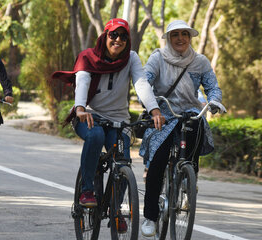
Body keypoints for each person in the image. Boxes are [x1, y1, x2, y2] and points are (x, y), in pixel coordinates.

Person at [52, 18, 165, 233]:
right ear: (105, 36)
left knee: (123, 163)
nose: (118, 40)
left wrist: (154, 109)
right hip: (89, 116)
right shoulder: (88, 57)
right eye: (114, 35)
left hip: (118, 121)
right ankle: (87, 190)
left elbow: (141, 83)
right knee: (95, 137)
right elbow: (83, 81)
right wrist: (80, 108)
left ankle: (116, 211)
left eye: (123, 36)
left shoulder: (131, 58)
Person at [139, 20, 226, 237]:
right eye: (175, 34)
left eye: (184, 34)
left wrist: (214, 101)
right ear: (169, 38)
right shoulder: (157, 57)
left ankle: (189, 180)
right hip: (163, 115)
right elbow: (145, 82)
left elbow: (212, 86)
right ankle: (150, 216)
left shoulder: (200, 61)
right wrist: (150, 105)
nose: (180, 39)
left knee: (195, 132)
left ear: (190, 37)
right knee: (158, 162)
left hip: (190, 113)